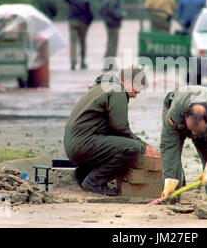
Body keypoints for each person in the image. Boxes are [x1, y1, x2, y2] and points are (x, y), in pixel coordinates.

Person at [64, 65, 160, 196]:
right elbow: (120, 127)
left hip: (75, 145)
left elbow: (112, 129)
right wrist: (143, 146)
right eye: (136, 91)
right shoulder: (117, 91)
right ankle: (94, 181)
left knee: (121, 144)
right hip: (82, 145)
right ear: (127, 82)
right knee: (132, 148)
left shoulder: (103, 87)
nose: (135, 96)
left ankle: (82, 174)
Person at [160, 86, 207, 201]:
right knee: (173, 162)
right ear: (186, 116)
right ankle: (170, 200)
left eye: (197, 131)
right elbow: (169, 147)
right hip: (178, 120)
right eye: (191, 129)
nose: (193, 134)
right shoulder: (175, 113)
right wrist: (169, 179)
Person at [65, 0, 94, 70]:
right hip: (83, 23)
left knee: (73, 42)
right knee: (82, 42)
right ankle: (82, 61)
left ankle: (73, 62)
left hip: (73, 22)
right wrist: (89, 22)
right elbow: (90, 13)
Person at [100, 0, 126, 71]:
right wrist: (121, 15)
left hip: (109, 23)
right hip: (114, 23)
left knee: (110, 43)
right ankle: (110, 64)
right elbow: (112, 11)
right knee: (113, 44)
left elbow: (102, 11)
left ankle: (107, 63)